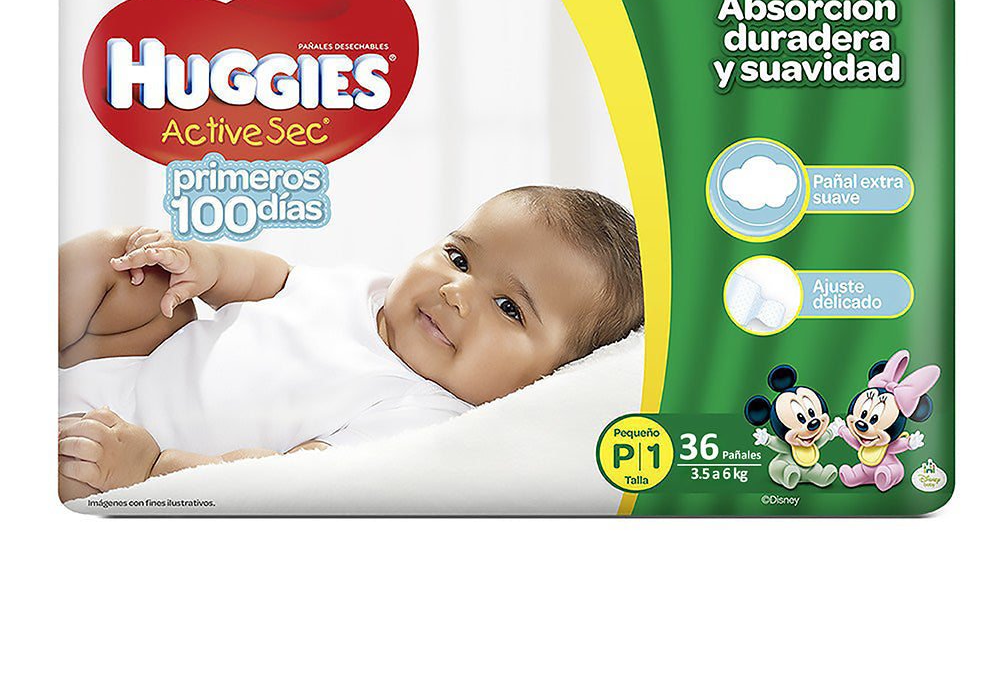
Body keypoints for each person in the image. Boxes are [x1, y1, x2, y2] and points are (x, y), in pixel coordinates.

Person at [57, 186, 643, 501]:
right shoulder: (370, 292)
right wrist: (205, 264)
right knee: (123, 264)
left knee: (68, 471)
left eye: (510, 307)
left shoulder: (422, 420)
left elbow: (279, 479)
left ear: (547, 379)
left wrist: (152, 468)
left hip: (129, 446)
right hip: (134, 356)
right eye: (459, 258)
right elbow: (275, 279)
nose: (457, 292)